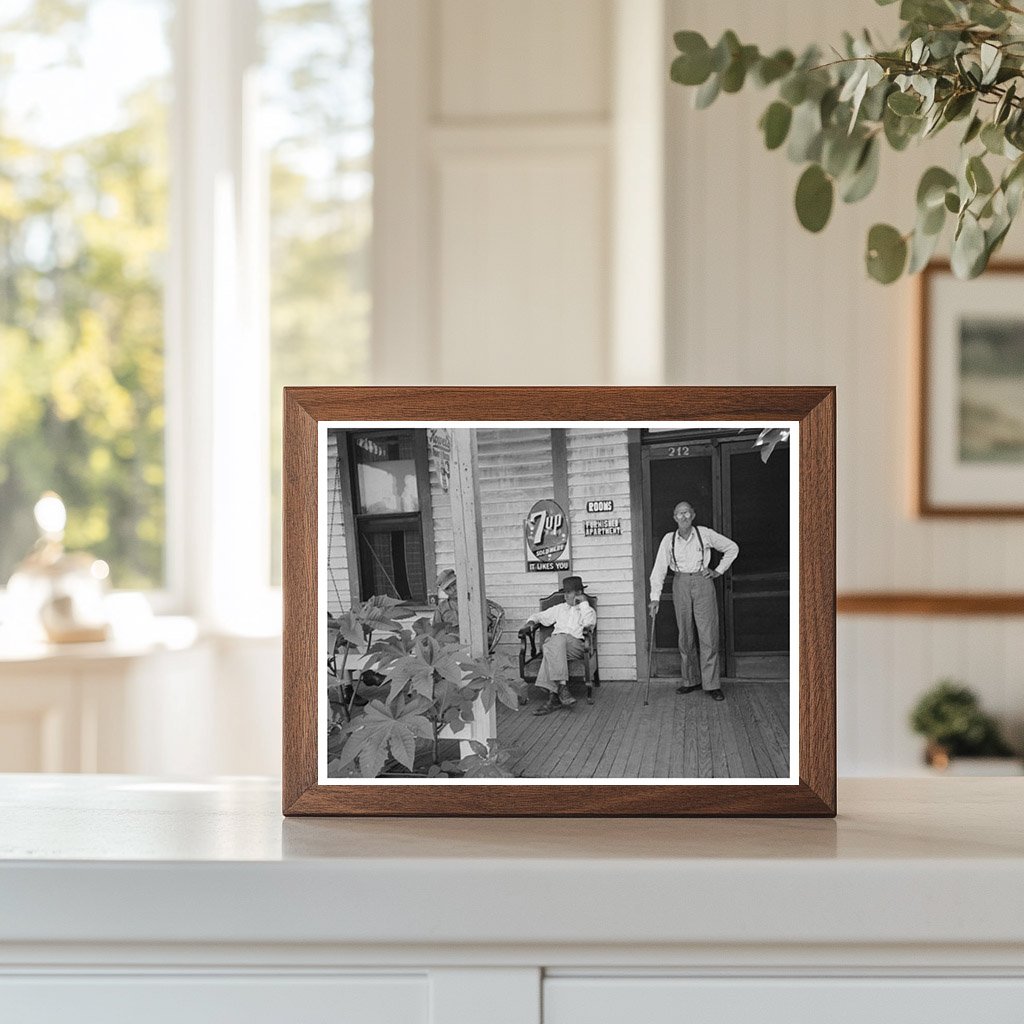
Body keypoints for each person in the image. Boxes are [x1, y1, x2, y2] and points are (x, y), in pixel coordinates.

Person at [648, 502, 738, 701]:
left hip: (702, 582)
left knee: (708, 634)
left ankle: (712, 684)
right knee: (685, 635)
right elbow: (659, 569)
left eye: (687, 512)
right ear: (674, 517)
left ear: (693, 515)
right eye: (679, 513)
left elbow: (732, 548)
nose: (684, 516)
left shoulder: (703, 533)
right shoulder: (668, 539)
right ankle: (691, 680)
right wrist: (654, 598)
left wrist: (718, 571)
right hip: (680, 583)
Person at [517, 575, 597, 716]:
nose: (565, 596)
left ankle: (557, 690)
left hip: (576, 646)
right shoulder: (560, 609)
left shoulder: (588, 611)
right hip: (558, 647)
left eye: (568, 592)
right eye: (564, 592)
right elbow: (539, 616)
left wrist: (583, 603)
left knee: (551, 644)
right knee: (554, 644)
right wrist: (530, 622)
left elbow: (589, 625)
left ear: (578, 593)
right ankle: (558, 692)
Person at [432, 568, 505, 653]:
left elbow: (485, 624)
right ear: (445, 592)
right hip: (451, 648)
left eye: (454, 584)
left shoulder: (477, 600)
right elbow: (436, 632)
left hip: (476, 643)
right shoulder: (441, 608)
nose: (453, 589)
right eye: (448, 588)